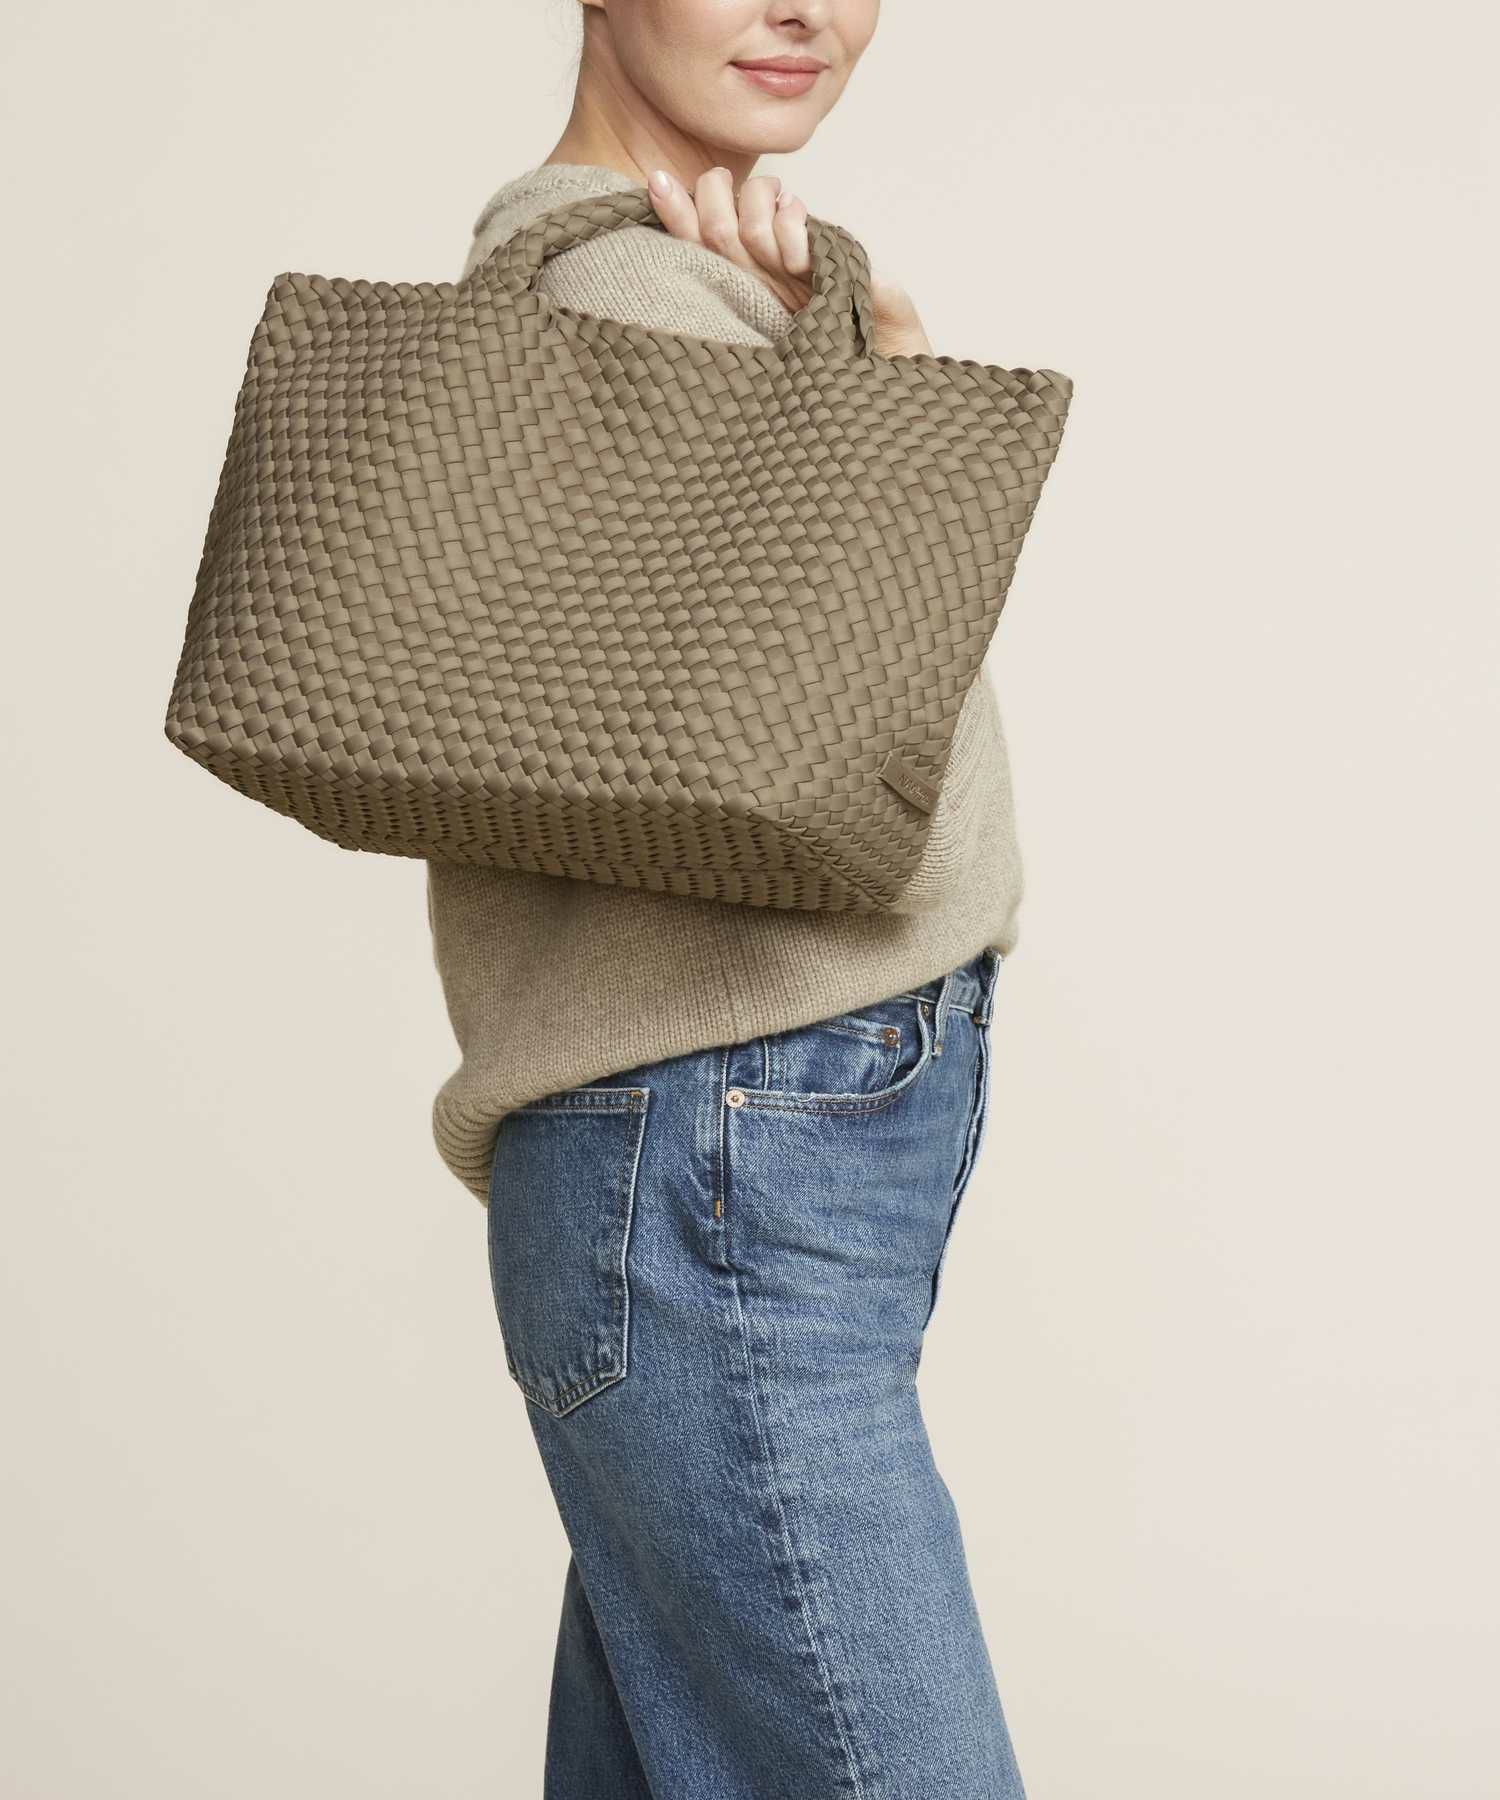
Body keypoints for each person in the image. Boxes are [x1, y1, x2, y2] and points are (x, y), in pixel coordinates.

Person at [426, 1, 1031, 1793]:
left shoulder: (687, 289)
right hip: (722, 1159)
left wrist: (844, 378)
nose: (807, 11)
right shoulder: (624, 295)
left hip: (707, 1158)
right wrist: (881, 403)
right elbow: (842, 769)